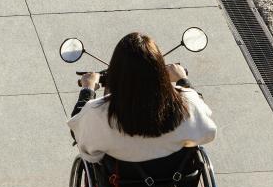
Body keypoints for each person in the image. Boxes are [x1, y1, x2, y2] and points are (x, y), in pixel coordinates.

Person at [67, 31, 216, 164]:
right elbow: (206, 128)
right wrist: (183, 80)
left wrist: (87, 89)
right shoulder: (186, 103)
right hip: (176, 186)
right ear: (160, 72)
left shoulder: (98, 112)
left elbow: (78, 132)